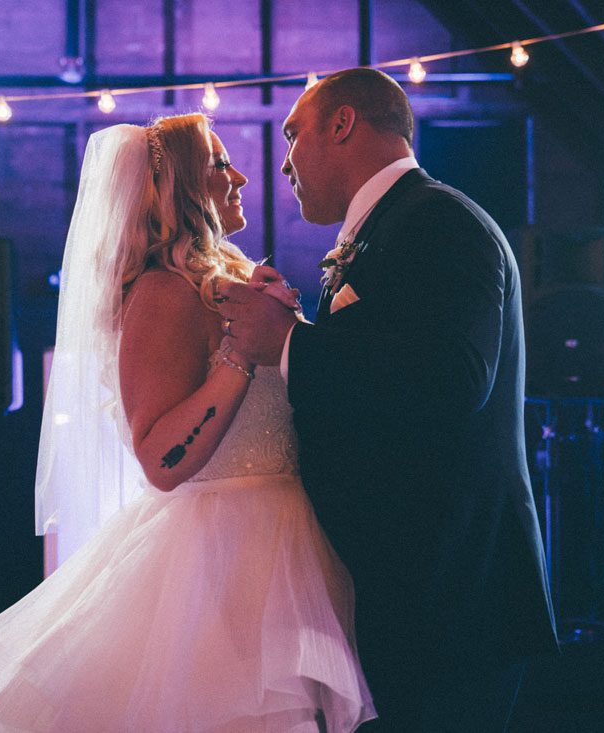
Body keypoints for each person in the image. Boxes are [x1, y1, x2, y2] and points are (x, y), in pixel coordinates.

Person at [0, 114, 375, 731]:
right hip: (223, 562)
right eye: (218, 164)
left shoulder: (220, 282)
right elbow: (158, 456)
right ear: (179, 187)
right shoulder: (161, 292)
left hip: (293, 542)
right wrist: (240, 354)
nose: (239, 177)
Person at [218, 68, 559, 731]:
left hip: (452, 600)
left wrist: (292, 343)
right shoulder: (391, 228)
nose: (283, 163)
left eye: (293, 135)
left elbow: (454, 377)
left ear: (343, 124)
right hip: (411, 596)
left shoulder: (440, 222)